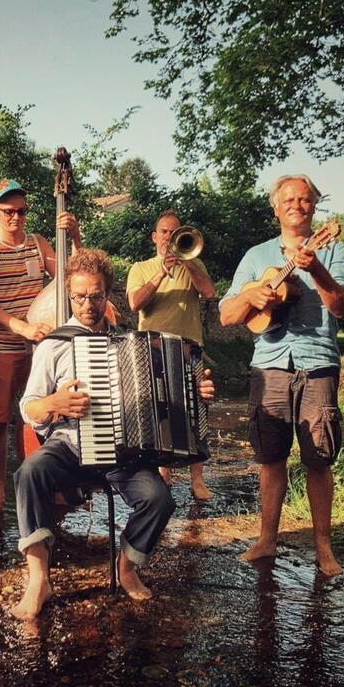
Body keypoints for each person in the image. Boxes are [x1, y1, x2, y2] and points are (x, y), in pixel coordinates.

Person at [11, 249, 216, 619]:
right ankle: (38, 579)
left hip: (125, 452)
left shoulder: (133, 345)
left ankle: (127, 565)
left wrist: (195, 391)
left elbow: (171, 397)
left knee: (159, 499)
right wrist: (55, 402)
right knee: (29, 472)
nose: (88, 304)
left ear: (109, 295)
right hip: (69, 446)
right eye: (80, 296)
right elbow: (28, 408)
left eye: (96, 295)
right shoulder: (53, 345)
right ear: (69, 295)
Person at [219, 174, 344, 576]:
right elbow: (227, 314)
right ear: (275, 208)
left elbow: (342, 307)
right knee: (270, 458)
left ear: (315, 206)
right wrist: (250, 295)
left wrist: (318, 272)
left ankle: (324, 549)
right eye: (289, 199)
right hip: (270, 364)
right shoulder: (257, 256)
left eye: (305, 199)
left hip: (318, 362)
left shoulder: (333, 248)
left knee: (318, 459)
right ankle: (266, 539)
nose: (297, 204)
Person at [0, 177, 83, 510]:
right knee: (0, 420)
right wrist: (25, 328)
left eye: (21, 211)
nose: (16, 218)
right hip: (5, 345)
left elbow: (72, 274)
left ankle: (35, 482)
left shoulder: (38, 243)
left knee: (39, 416)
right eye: (8, 211)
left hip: (40, 347)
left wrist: (74, 236)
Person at [126, 210, 217, 499]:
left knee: (196, 409)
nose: (169, 237)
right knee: (158, 410)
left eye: (174, 232)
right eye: (164, 232)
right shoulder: (140, 268)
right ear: (155, 237)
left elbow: (209, 292)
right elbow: (134, 303)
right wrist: (162, 271)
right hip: (150, 348)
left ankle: (197, 480)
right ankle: (163, 474)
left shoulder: (195, 262)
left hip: (189, 346)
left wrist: (188, 264)